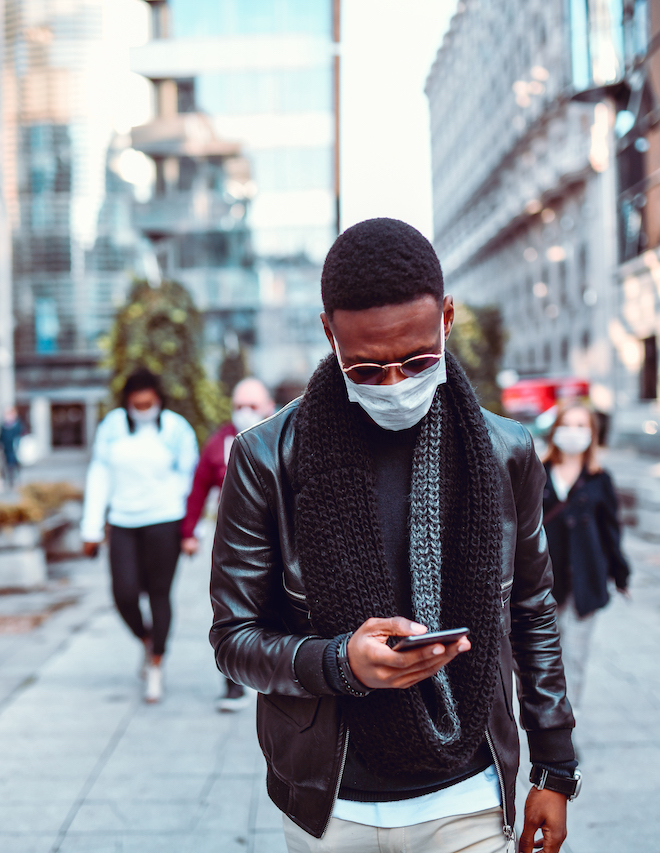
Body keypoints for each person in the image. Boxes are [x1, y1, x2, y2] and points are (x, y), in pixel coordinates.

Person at [209, 218, 578, 853]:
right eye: (367, 368)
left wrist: (554, 768)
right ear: (329, 333)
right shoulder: (265, 458)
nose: (395, 383)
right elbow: (233, 640)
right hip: (330, 806)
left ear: (448, 317)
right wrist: (339, 662)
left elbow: (531, 612)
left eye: (418, 360)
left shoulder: (505, 451)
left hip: (470, 793)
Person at [81, 370, 199, 704]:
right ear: (127, 403)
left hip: (164, 520)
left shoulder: (176, 429)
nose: (143, 409)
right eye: (137, 404)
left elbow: (190, 481)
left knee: (160, 595)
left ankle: (157, 666)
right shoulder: (112, 427)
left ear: (159, 401)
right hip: (122, 522)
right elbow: (99, 473)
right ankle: (146, 640)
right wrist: (91, 528)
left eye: (149, 404)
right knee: (124, 592)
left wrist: (191, 531)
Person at [182, 377, 277, 712]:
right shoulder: (220, 442)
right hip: (236, 538)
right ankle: (234, 682)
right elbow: (198, 489)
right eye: (239, 406)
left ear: (268, 404)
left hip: (282, 537)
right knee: (233, 604)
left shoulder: (288, 433)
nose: (245, 412)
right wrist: (189, 532)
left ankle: (273, 670)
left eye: (252, 405)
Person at [540, 403, 630, 707]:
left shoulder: (599, 479)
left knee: (574, 659)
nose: (574, 433)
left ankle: (566, 728)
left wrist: (621, 575)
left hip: (585, 583)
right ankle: (544, 722)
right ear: (555, 431)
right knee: (540, 661)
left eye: (582, 426)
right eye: (568, 424)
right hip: (542, 586)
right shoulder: (536, 474)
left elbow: (611, 532)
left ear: (592, 434)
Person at [0, 407, 24, 491]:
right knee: (8, 466)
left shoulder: (17, 425)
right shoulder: (3, 426)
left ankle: (15, 480)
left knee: (14, 465)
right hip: (6, 449)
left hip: (15, 449)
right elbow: (0, 437)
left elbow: (20, 435)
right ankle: (9, 481)